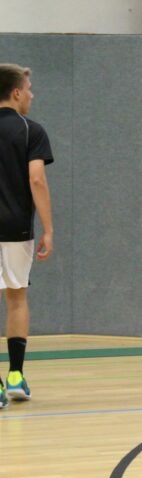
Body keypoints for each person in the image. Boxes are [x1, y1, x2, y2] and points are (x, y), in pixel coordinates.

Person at [0, 64, 54, 408]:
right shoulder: (31, 130)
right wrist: (49, 228)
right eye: (29, 89)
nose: (32, 95)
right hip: (15, 228)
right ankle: (16, 376)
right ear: (16, 92)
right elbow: (37, 179)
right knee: (16, 298)